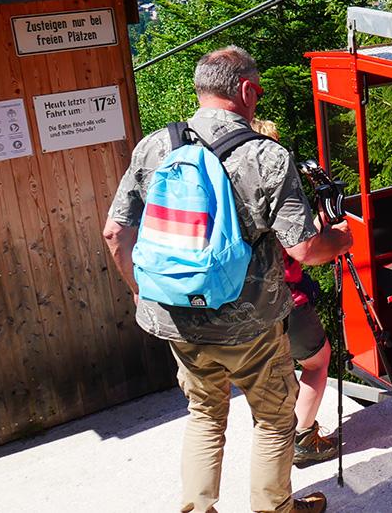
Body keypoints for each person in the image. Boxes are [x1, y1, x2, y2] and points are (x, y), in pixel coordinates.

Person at [103, 46, 353, 513]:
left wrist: (141, 292)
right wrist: (342, 239)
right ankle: (274, 509)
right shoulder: (266, 156)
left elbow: (115, 231)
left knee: (204, 414)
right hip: (249, 323)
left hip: (174, 314)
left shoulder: (154, 146)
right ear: (246, 91)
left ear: (200, 90)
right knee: (276, 418)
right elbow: (305, 249)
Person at [250, 118, 338, 465]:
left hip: (248, 304)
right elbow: (302, 248)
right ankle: (303, 435)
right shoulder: (276, 192)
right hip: (287, 299)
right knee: (318, 360)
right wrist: (329, 225)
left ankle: (283, 435)